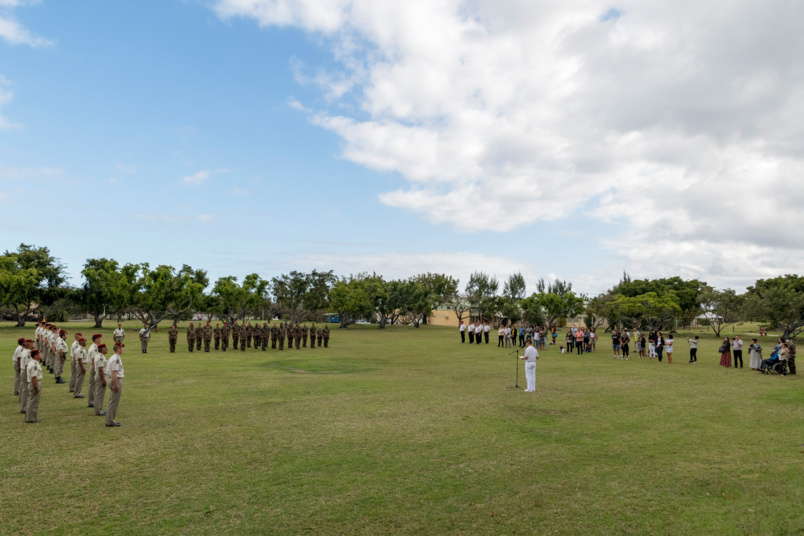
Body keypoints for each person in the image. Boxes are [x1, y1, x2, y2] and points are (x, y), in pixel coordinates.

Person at [105, 343, 125, 427]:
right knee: (114, 402)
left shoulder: (115, 357)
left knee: (112, 401)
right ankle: (110, 421)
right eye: (122, 348)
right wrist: (116, 384)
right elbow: (114, 372)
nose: (123, 350)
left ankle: (110, 420)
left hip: (114, 380)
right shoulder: (116, 359)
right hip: (115, 380)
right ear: (118, 349)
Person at [25, 349, 43, 423]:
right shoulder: (34, 365)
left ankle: (29, 417)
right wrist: (36, 387)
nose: (41, 355)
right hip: (34, 383)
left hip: (33, 383)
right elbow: (33, 377)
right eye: (39, 354)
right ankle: (31, 418)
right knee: (33, 401)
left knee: (31, 401)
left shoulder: (34, 363)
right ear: (35, 356)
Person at [93, 344, 109, 416]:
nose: (107, 349)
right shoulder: (101, 357)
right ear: (102, 349)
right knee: (99, 394)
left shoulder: (99, 356)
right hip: (101, 376)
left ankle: (99, 409)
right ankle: (98, 411)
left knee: (99, 394)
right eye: (106, 348)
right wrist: (103, 380)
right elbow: (100, 369)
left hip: (100, 375)